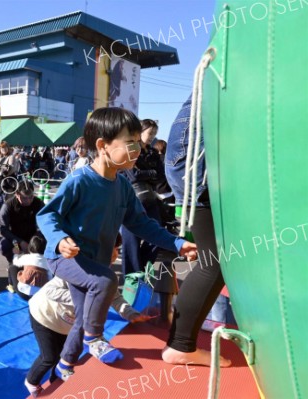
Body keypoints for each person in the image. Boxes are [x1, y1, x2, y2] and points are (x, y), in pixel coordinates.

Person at [36, 107, 197, 381]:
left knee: (84, 315)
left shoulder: (122, 185)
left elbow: (141, 223)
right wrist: (60, 238)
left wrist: (175, 242)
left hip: (93, 263)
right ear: (102, 146)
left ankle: (64, 365)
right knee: (105, 282)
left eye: (139, 141)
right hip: (65, 258)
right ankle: (95, 339)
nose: (138, 148)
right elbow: (48, 214)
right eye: (130, 142)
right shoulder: (80, 180)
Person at [25, 242, 151, 397]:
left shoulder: (107, 277)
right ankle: (32, 382)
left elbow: (115, 299)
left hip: (66, 324)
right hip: (44, 316)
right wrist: (85, 299)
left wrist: (131, 314)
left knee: (64, 354)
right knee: (49, 357)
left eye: (116, 252)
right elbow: (50, 291)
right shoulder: (75, 270)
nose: (114, 257)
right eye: (112, 251)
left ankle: (56, 382)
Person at [161, 95, 232, 367]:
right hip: (197, 166)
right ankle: (180, 344)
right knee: (211, 264)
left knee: (211, 262)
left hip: (191, 163)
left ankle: (181, 342)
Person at [120, 119, 165, 275]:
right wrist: (151, 173)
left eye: (155, 133)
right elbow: (133, 176)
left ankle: (142, 269)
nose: (152, 136)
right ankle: (131, 279)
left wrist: (146, 173)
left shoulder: (153, 153)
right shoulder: (131, 149)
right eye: (150, 132)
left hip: (150, 199)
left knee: (157, 235)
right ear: (140, 132)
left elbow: (160, 175)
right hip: (131, 199)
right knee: (130, 241)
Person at [0, 180, 44, 264]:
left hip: (33, 237)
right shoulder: (8, 205)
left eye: (31, 197)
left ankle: (38, 264)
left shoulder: (39, 203)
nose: (28, 201)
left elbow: (44, 225)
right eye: (24, 198)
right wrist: (19, 242)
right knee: (4, 246)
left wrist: (34, 242)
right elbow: (3, 229)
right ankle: (13, 262)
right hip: (15, 239)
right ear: (17, 194)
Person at [8, 234, 51, 301]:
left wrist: (16, 254)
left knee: (12, 267)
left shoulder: (27, 258)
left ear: (30, 247)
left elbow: (15, 262)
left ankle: (11, 285)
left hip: (23, 293)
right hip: (41, 295)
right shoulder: (48, 261)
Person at [0, 141, 20, 212]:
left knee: (7, 201)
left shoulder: (11, 157)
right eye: (2, 148)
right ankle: (0, 217)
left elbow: (11, 168)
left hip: (8, 182)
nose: (3, 149)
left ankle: (7, 218)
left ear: (8, 148)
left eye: (5, 147)